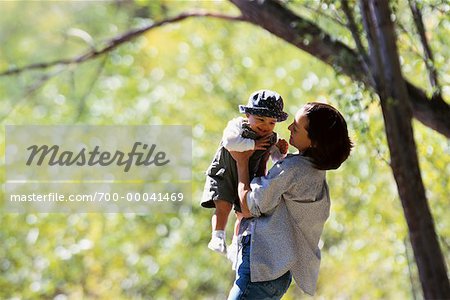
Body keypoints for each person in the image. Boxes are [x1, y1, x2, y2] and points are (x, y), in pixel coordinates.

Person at [227, 102, 353, 299]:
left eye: (296, 126)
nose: (288, 128)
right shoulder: (315, 172)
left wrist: (241, 162)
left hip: (261, 272)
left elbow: (248, 205)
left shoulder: (292, 169)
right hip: (280, 274)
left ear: (315, 141)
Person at [201, 90, 289, 255]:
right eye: (261, 120)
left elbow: (274, 158)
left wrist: (280, 151)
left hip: (248, 175)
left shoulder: (271, 137)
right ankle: (218, 235)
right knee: (223, 205)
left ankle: (236, 242)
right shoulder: (236, 127)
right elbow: (229, 142)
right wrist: (253, 146)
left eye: (271, 122)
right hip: (225, 172)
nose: (265, 126)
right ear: (248, 114)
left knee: (243, 213)